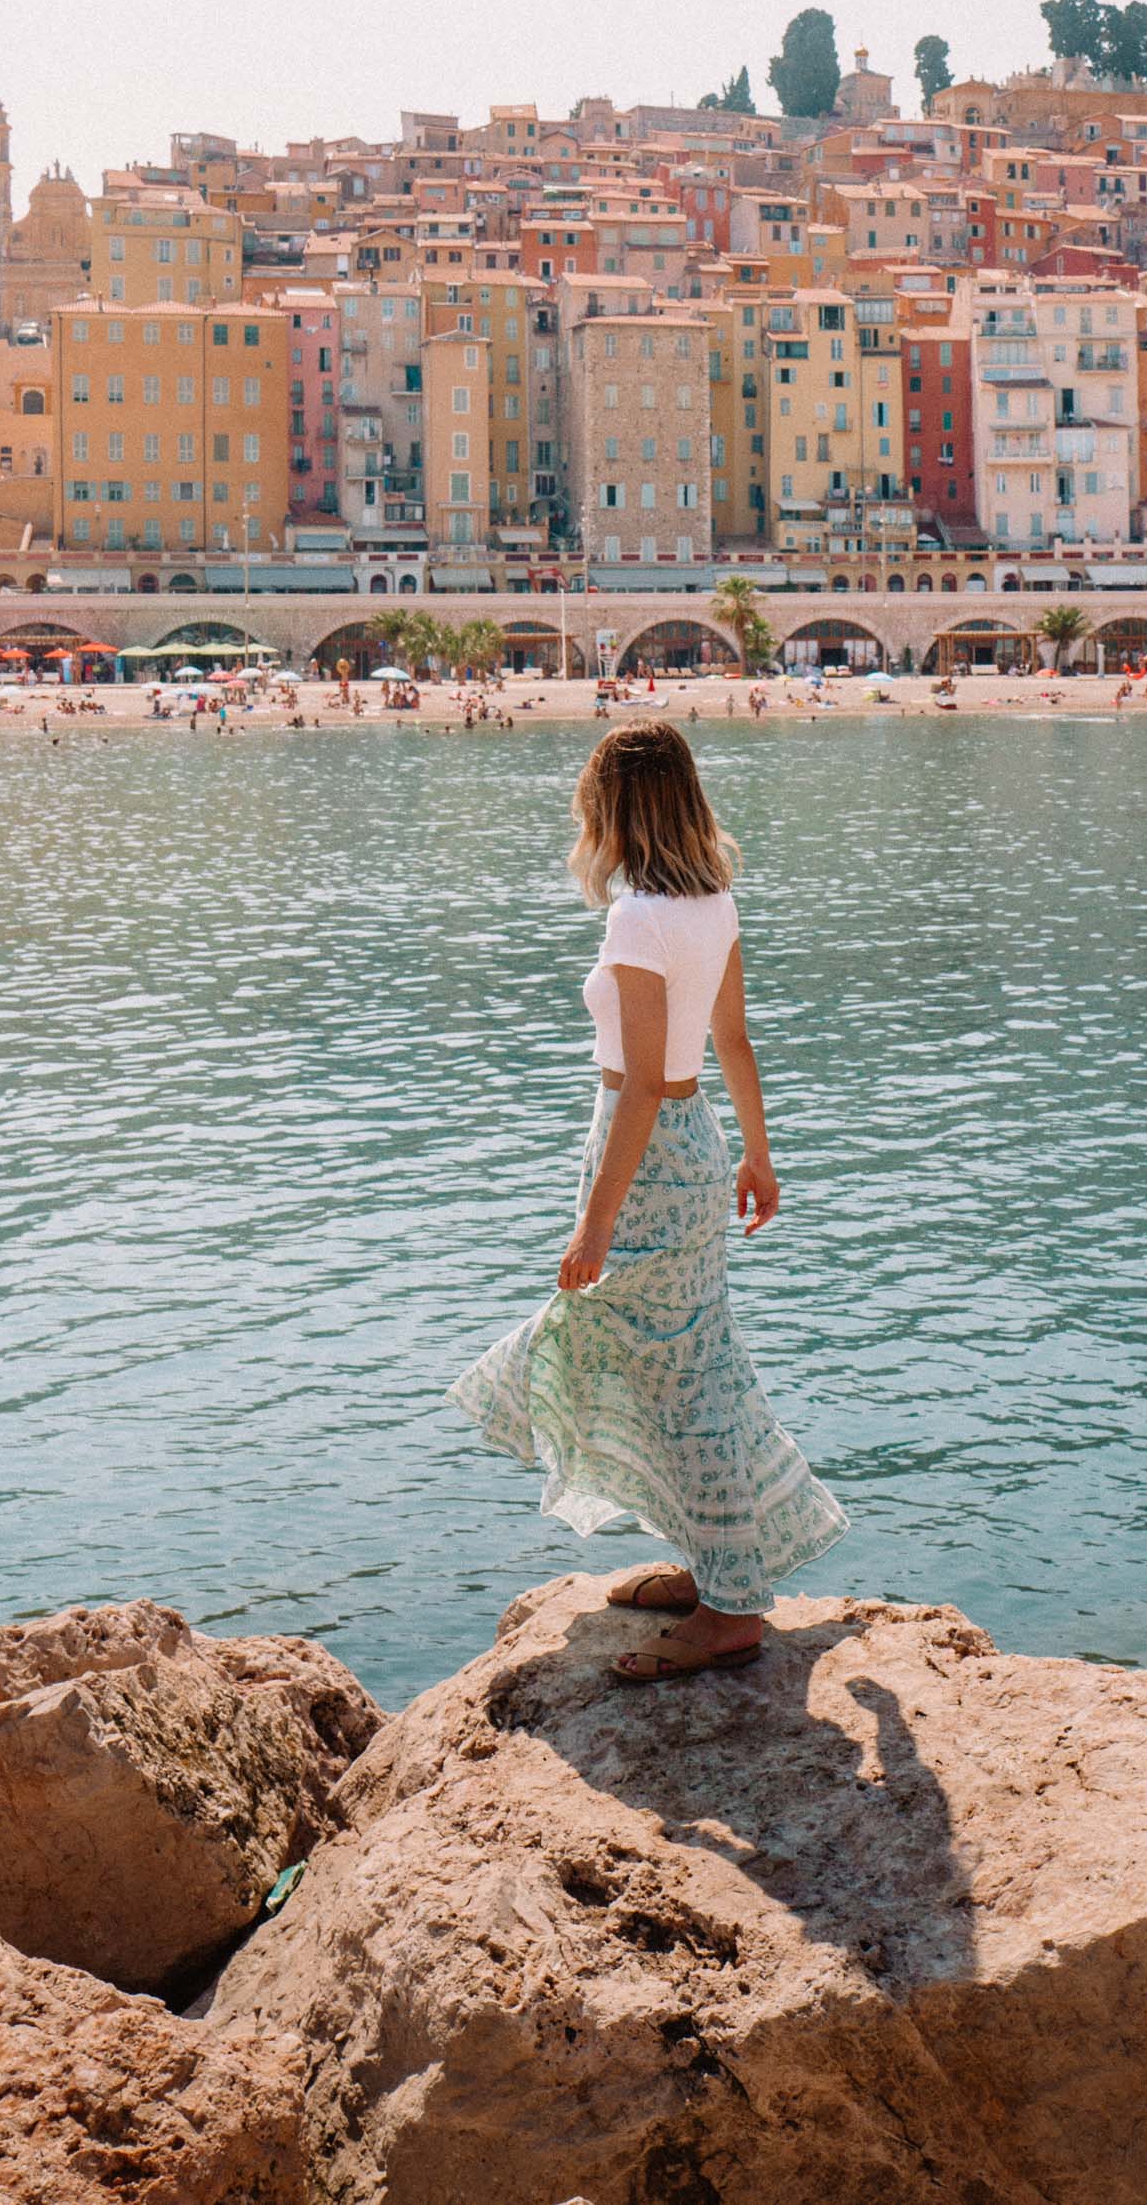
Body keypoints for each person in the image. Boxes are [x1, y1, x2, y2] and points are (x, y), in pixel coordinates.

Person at [449, 721, 846, 1684]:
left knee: (661, 1369)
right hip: (695, 1145)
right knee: (683, 1361)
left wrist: (592, 1226)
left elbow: (634, 1086)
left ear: (613, 810)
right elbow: (735, 1040)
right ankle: (720, 1567)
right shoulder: (711, 901)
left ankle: (730, 1606)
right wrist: (757, 1155)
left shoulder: (638, 919)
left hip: (650, 1159)